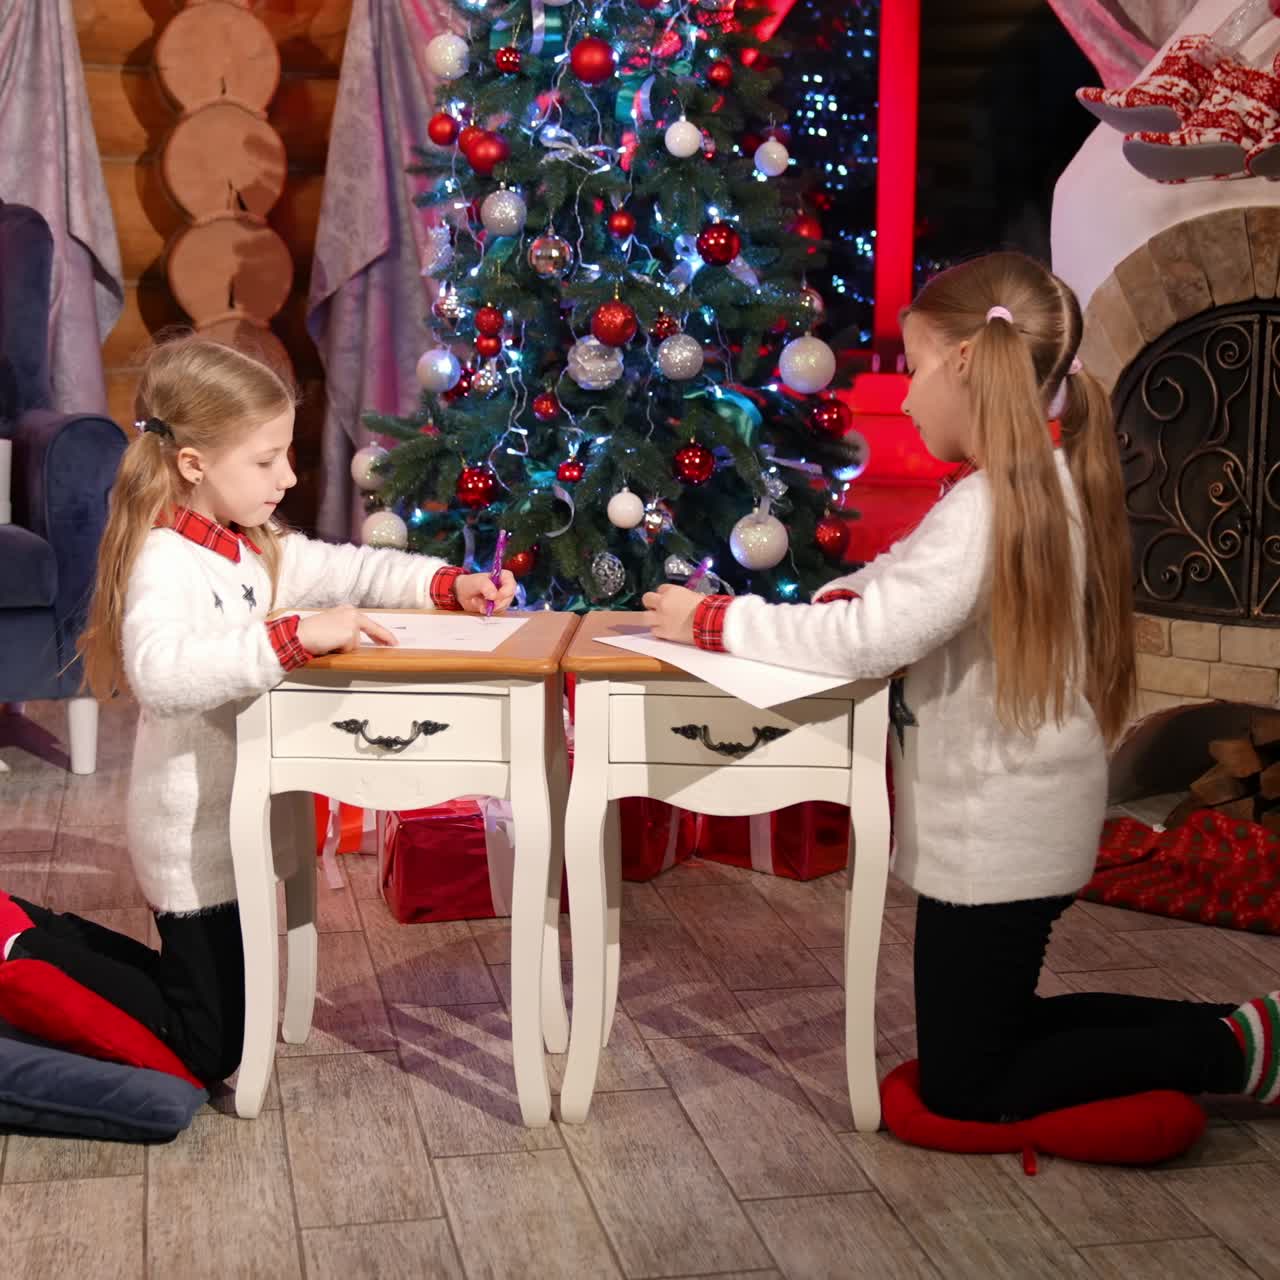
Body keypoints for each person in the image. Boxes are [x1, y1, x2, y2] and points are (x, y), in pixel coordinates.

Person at [643, 252, 1279, 1119]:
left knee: (966, 1082)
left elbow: (871, 640)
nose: (903, 397)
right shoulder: (1019, 489)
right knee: (998, 1025)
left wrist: (713, 622)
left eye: (914, 367)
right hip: (1017, 822)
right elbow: (900, 582)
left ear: (969, 365)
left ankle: (1225, 1054)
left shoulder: (988, 508)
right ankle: (1240, 1035)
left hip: (998, 837)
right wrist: (851, 587)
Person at [0, 335, 516, 1087]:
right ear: (194, 464)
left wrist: (447, 584)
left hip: (236, 835)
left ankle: (32, 929)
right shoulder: (165, 560)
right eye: (266, 460)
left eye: (286, 455)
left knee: (226, 1027)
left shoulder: (251, 547)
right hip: (192, 841)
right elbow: (162, 674)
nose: (289, 476)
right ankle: (21, 946)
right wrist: (296, 635)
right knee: (210, 1054)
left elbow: (351, 566)